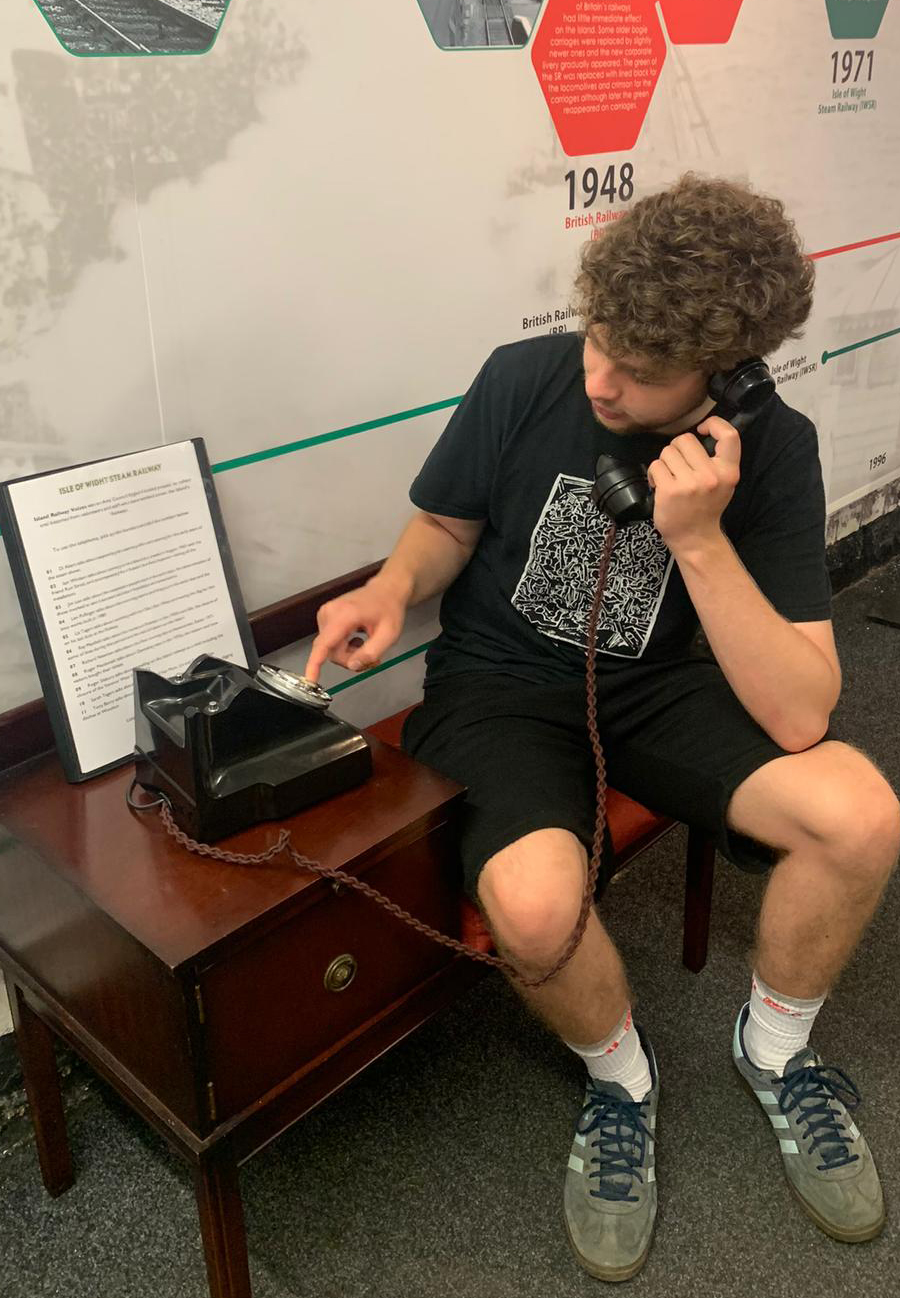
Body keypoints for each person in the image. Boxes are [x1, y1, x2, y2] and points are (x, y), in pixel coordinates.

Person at [304, 174, 900, 1282]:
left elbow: (802, 708)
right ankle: (622, 1077)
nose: (602, 378)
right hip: (499, 685)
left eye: (641, 371)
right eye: (598, 340)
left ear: (723, 380)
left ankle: (775, 1053)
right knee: (532, 910)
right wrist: (394, 586)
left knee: (860, 814)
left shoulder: (771, 449)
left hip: (663, 685)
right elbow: (444, 520)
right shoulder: (523, 377)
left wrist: (701, 539)